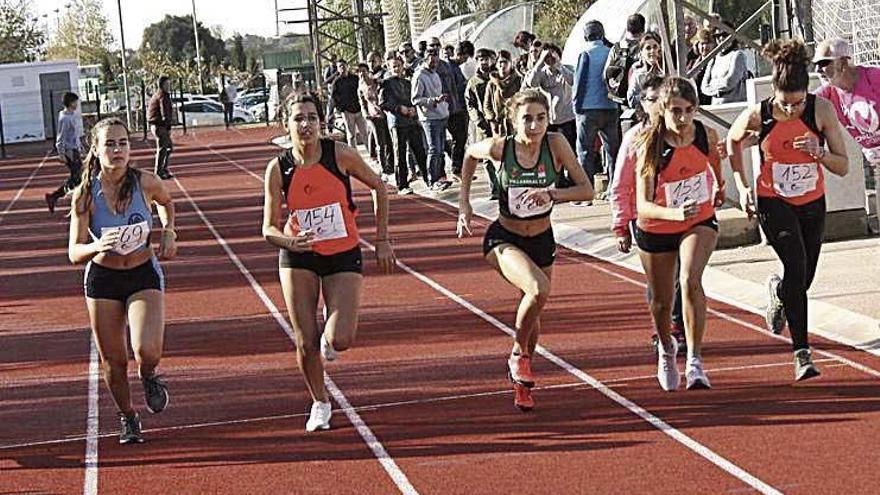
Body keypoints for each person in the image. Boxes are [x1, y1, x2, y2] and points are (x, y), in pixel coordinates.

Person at [262, 93, 395, 431]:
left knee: (341, 339)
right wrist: (290, 241)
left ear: (321, 122)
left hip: (342, 252)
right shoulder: (278, 169)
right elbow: (268, 227)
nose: (305, 125)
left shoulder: (340, 155)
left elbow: (379, 187)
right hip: (299, 255)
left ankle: (330, 334)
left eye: (311, 117)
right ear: (286, 124)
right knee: (304, 339)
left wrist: (381, 240)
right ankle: (320, 402)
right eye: (297, 118)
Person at [457, 89, 594, 411]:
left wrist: (553, 195)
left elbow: (586, 188)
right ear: (513, 120)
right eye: (527, 119)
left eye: (541, 118)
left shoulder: (555, 144)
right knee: (536, 289)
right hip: (505, 236)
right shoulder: (501, 147)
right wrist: (464, 205)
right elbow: (468, 156)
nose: (534, 125)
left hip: (542, 239)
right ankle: (518, 354)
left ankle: (522, 383)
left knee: (535, 308)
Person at [727, 40, 849, 381]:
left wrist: (819, 151)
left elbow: (843, 166)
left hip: (812, 202)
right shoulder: (760, 114)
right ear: (774, 93)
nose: (792, 110)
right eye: (785, 103)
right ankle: (802, 353)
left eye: (797, 103)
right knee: (795, 264)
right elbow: (733, 140)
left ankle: (779, 292)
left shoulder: (820, 111)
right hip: (773, 200)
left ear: (806, 94)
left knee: (802, 279)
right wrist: (743, 185)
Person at [68, 117, 177, 444]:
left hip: (142, 272)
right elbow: (74, 252)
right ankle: (128, 416)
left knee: (147, 351)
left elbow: (167, 203)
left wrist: (169, 231)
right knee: (114, 362)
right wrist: (96, 245)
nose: (117, 150)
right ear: (96, 150)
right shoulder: (85, 195)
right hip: (103, 279)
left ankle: (149, 375)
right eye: (110, 144)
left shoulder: (146, 182)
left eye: (123, 143)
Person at [632, 77, 725, 391]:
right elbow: (642, 205)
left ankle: (696, 361)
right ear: (663, 110)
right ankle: (667, 348)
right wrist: (672, 212)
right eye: (675, 111)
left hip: (698, 220)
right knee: (660, 301)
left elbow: (714, 162)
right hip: (657, 227)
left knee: (689, 279)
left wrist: (720, 188)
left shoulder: (705, 135)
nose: (682, 119)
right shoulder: (649, 145)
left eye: (688, 110)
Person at [609, 75, 687, 353]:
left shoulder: (682, 133)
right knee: (659, 279)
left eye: (662, 100)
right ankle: (662, 328)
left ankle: (678, 326)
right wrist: (621, 224)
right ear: (643, 103)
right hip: (646, 219)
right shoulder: (635, 138)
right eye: (652, 100)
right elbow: (620, 184)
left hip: (680, 215)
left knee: (683, 274)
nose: (658, 106)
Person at [813, 38, 880, 220]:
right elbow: (799, 107)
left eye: (823, 63)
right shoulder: (827, 94)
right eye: (815, 64)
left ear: (843, 62)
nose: (817, 70)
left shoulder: (874, 77)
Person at [573, 21, 620, 191]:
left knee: (585, 150)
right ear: (602, 34)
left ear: (586, 36)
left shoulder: (585, 54)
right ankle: (614, 188)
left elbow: (579, 84)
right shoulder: (612, 53)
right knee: (612, 151)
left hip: (588, 109)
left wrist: (576, 107)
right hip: (610, 107)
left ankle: (586, 190)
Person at [380, 54, 429, 195]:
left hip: (411, 121)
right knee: (400, 154)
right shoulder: (386, 83)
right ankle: (402, 184)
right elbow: (383, 102)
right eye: (393, 66)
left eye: (398, 65)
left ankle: (428, 179)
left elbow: (414, 98)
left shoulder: (408, 83)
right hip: (397, 123)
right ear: (389, 67)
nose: (396, 69)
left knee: (420, 151)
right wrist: (399, 108)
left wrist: (413, 109)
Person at [412, 47, 452, 191]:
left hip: (442, 114)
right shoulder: (419, 76)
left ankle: (440, 177)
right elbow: (415, 99)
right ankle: (431, 180)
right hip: (429, 117)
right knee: (433, 149)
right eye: (431, 61)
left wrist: (443, 103)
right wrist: (433, 100)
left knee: (441, 149)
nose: (434, 63)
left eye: (436, 61)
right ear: (425, 58)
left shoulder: (435, 74)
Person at [465, 48, 500, 199]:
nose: (484, 62)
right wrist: (478, 120)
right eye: (481, 59)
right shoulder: (473, 82)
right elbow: (470, 104)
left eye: (487, 59)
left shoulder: (498, 77)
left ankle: (507, 187)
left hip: (500, 123)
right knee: (487, 158)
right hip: (483, 125)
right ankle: (495, 189)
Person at [45, 92, 84, 213]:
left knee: (78, 176)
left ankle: (55, 197)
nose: (77, 104)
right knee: (77, 177)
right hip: (70, 151)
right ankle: (55, 196)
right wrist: (61, 153)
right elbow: (60, 137)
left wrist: (80, 147)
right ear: (71, 103)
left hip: (75, 149)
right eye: (75, 102)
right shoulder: (65, 118)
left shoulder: (71, 115)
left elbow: (74, 135)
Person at [357, 64, 394, 182]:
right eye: (359, 72)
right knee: (380, 143)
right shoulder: (360, 87)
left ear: (368, 72)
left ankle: (390, 164)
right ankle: (383, 167)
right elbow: (362, 103)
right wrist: (365, 114)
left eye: (363, 71)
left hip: (385, 113)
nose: (361, 74)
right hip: (373, 116)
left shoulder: (377, 82)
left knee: (389, 140)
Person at [700, 26, 749, 104]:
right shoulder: (713, 58)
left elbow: (729, 82)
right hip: (716, 105)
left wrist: (713, 84)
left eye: (725, 35)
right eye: (717, 36)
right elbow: (704, 87)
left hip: (735, 105)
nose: (721, 38)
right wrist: (717, 90)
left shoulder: (738, 55)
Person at [331, 60, 369, 148]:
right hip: (347, 112)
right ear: (338, 69)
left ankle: (372, 153)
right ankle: (354, 154)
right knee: (351, 135)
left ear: (347, 66)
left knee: (364, 133)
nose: (342, 68)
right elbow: (334, 97)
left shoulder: (355, 78)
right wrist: (341, 109)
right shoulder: (336, 82)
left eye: (344, 65)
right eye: (340, 66)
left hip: (359, 109)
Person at [484, 50, 522, 138]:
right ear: (496, 64)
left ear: (511, 63)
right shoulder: (492, 84)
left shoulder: (518, 81)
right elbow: (487, 105)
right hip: (499, 125)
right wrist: (492, 120)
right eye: (500, 62)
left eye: (505, 62)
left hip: (516, 122)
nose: (503, 65)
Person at [627, 32, 665, 110]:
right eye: (648, 48)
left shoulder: (667, 71)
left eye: (655, 47)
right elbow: (631, 100)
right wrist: (647, 95)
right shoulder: (638, 74)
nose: (652, 51)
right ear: (642, 52)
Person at [147, 76, 174, 180]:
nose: (169, 86)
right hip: (159, 125)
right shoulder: (162, 95)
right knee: (163, 148)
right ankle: (158, 172)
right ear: (162, 85)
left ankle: (163, 169)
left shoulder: (159, 94)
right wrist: (167, 126)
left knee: (168, 148)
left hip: (158, 125)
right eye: (167, 84)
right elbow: (164, 111)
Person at [689, 28, 717, 106]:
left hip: (712, 105)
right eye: (702, 43)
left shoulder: (718, 62)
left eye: (708, 43)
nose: (704, 47)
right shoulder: (692, 64)